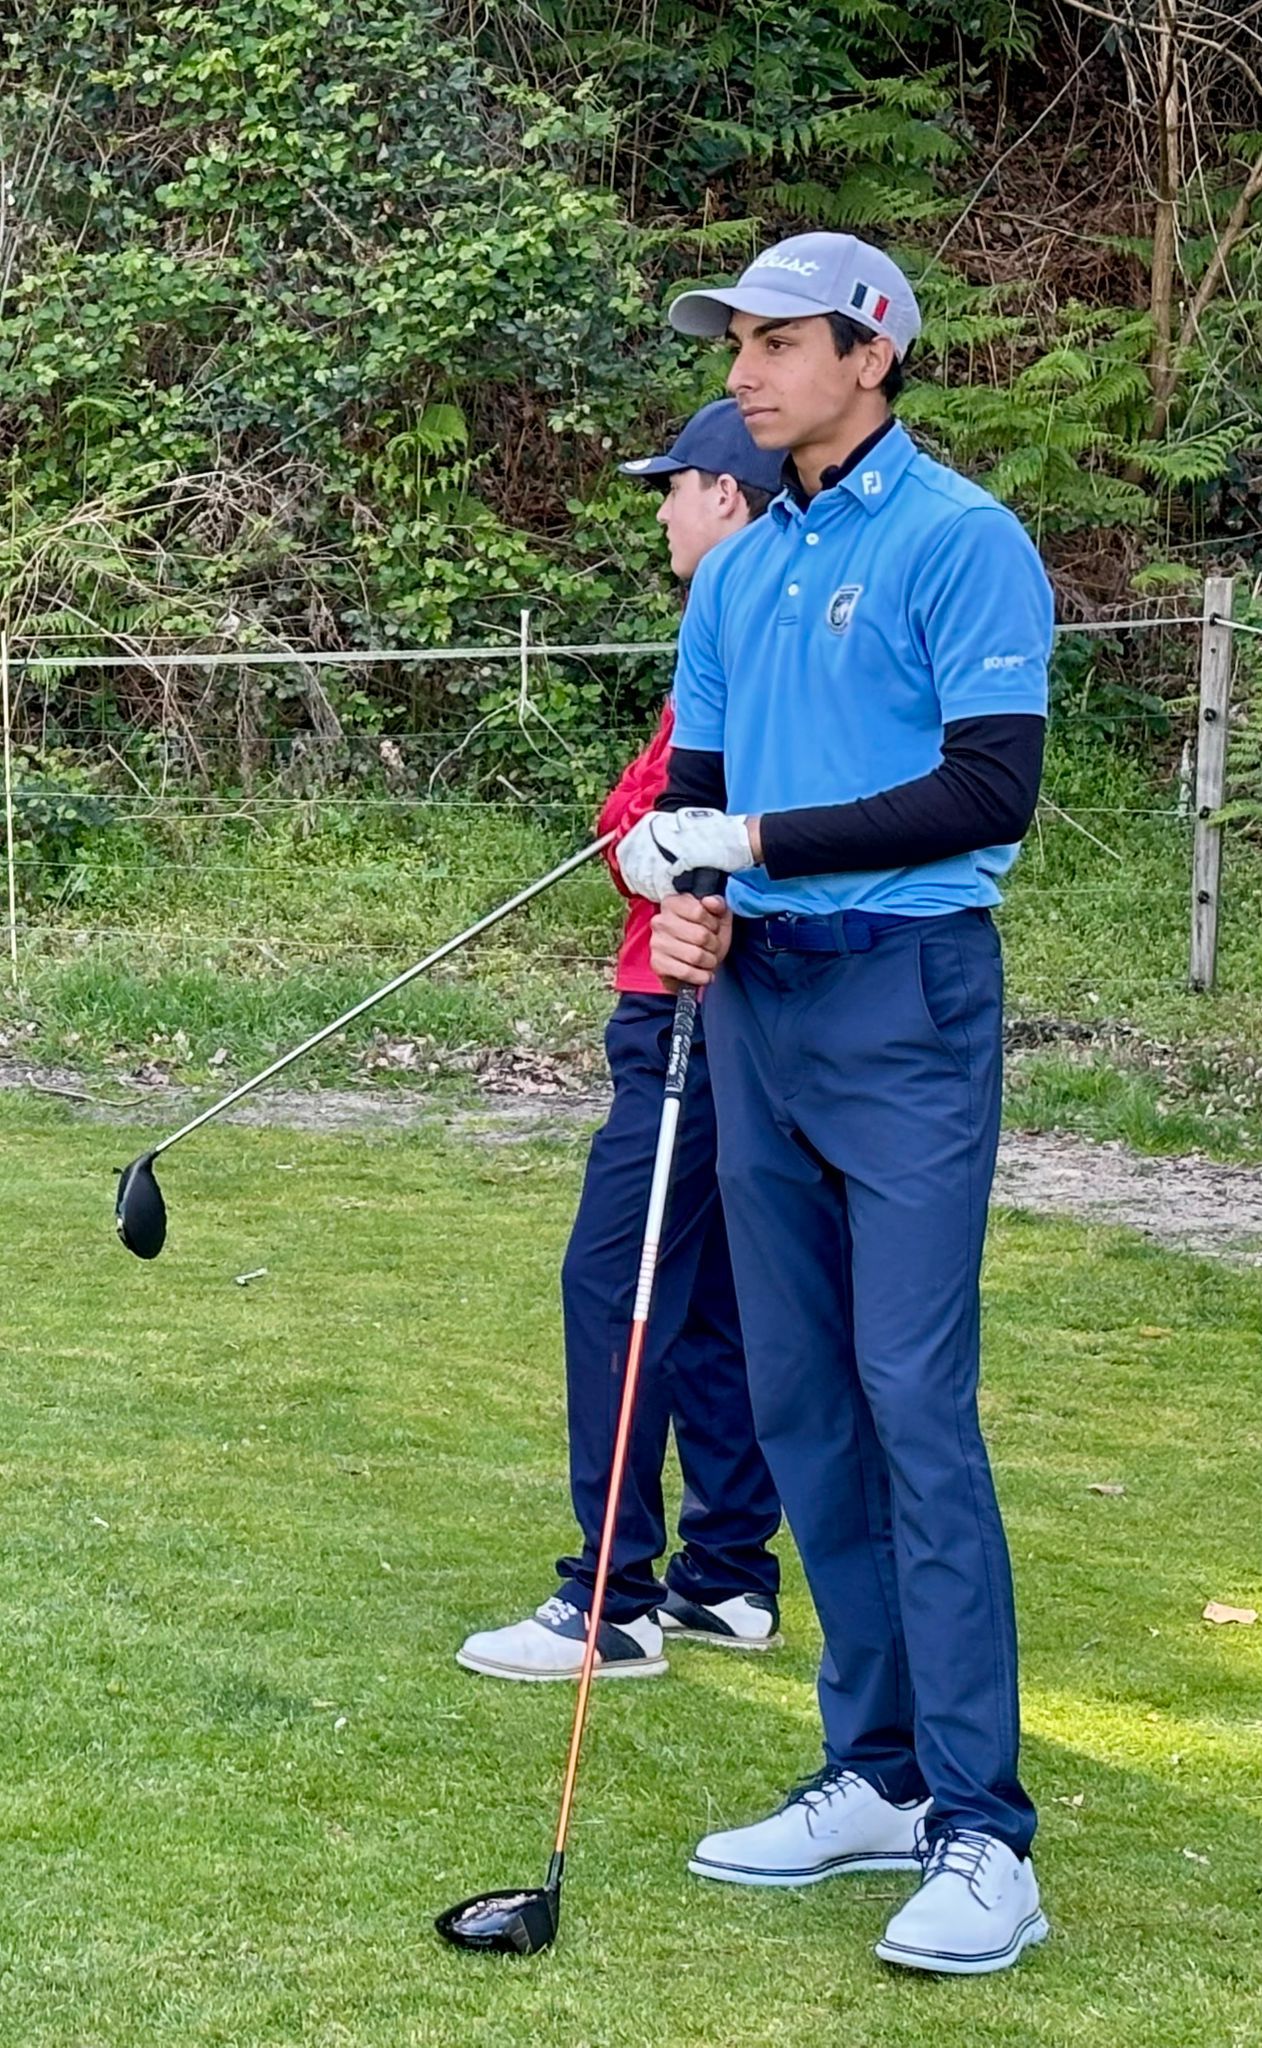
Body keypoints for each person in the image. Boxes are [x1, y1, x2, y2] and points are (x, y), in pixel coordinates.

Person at [618, 234, 1054, 1975]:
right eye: (734, 342)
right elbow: (701, 792)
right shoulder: (737, 572)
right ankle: (873, 1771)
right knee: (801, 1400)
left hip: (906, 995)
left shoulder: (960, 538)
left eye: (776, 341)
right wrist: (685, 877)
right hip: (762, 1006)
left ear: (869, 353)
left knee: (911, 1401)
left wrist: (750, 844)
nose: (742, 371)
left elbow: (986, 784)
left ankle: (982, 1828)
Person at [457, 400, 786, 1684]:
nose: (660, 509)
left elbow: (666, 822)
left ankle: (610, 1600)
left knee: (614, 1279)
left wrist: (646, 841)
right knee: (704, 1293)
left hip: (688, 1007)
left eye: (674, 485)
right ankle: (727, 1575)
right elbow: (636, 821)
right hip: (701, 1005)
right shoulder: (737, 634)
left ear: (728, 495)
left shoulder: (747, 643)